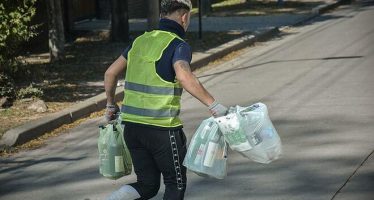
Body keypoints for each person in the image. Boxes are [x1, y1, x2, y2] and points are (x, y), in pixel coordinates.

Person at [104, 0, 228, 199]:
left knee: (147, 185)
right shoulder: (178, 45)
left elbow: (110, 73)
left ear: (162, 15)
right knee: (175, 184)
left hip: (132, 129)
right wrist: (213, 104)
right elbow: (184, 75)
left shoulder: (139, 41)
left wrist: (111, 105)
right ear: (185, 17)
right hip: (163, 131)